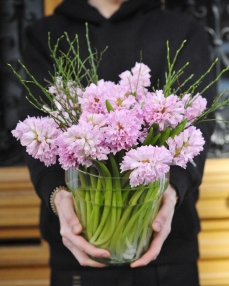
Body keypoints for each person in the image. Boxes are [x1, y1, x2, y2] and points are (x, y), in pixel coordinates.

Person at [19, 0, 216, 285]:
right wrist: (57, 196)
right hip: (77, 251)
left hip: (169, 250)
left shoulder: (184, 30)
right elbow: (37, 131)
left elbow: (198, 129)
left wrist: (172, 191)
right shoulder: (46, 33)